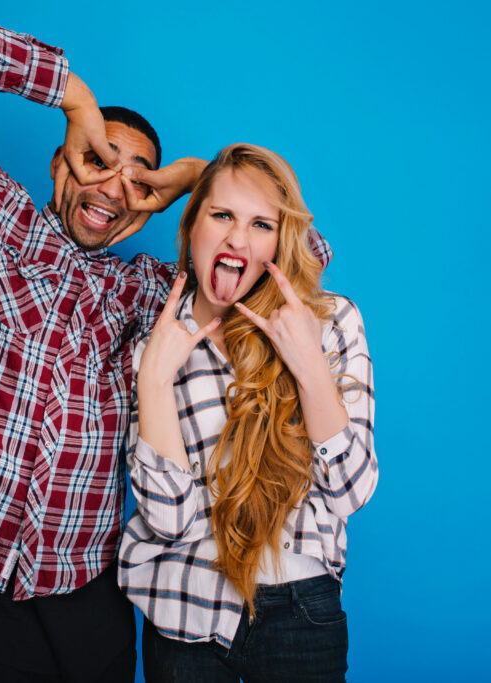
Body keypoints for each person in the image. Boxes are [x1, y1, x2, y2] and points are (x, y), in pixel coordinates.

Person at [0, 8, 333, 681]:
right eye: (98, 159)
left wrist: (200, 183)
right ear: (61, 162)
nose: (116, 186)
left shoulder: (153, 294)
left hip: (90, 586)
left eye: (139, 178)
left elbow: (299, 261)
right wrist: (73, 96)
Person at [119, 144, 377, 682]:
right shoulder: (155, 347)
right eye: (221, 216)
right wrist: (154, 379)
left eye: (261, 224)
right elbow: (169, 523)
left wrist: (308, 367)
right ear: (191, 227)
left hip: (301, 609)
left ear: (279, 243)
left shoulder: (329, 322)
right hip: (184, 608)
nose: (238, 238)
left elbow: (351, 490)